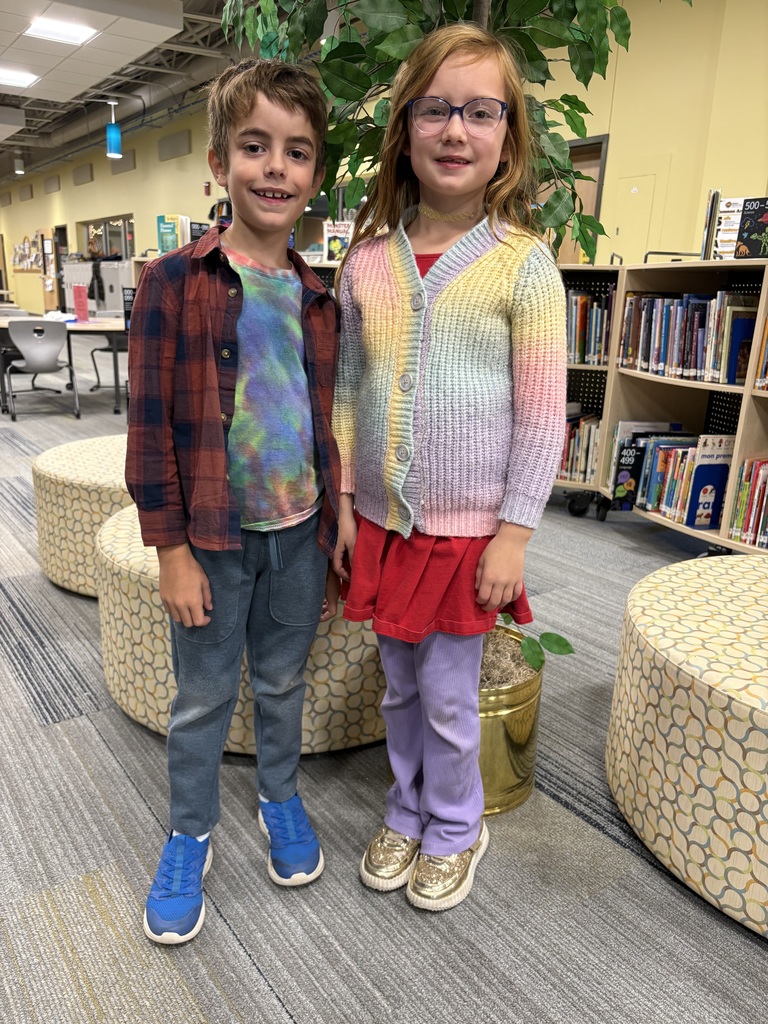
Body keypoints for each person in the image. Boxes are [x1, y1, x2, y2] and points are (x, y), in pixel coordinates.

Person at [332, 23, 567, 912]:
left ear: (507, 134)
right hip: (387, 527)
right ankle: (406, 806)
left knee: (446, 695)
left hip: (471, 537)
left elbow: (543, 417)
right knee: (396, 685)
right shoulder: (367, 263)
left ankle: (458, 825)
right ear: (406, 127)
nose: (455, 131)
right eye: (435, 110)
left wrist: (513, 535)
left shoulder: (524, 266)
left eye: (479, 112)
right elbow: (349, 391)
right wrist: (350, 504)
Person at [125, 58, 341, 945]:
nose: (275, 169)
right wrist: (170, 549)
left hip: (298, 534)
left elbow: (328, 423)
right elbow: (148, 431)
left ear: (316, 173)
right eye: (255, 147)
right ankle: (189, 832)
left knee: (284, 680)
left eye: (296, 152)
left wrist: (338, 527)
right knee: (204, 696)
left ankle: (279, 798)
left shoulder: (320, 295)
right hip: (212, 540)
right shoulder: (173, 282)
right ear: (221, 162)